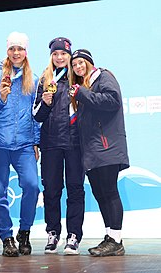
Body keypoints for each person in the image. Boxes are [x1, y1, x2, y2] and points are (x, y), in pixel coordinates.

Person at [0, 31, 40, 257]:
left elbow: (35, 114)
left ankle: (25, 232)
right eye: (12, 48)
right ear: (7, 51)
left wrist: (36, 141)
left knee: (32, 186)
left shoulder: (32, 80)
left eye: (20, 49)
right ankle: (6, 237)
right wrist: (0, 98)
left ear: (26, 52)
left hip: (24, 145)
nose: (16, 53)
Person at [69, 49, 129, 257]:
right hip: (93, 151)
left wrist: (82, 94)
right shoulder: (85, 86)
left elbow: (113, 101)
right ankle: (110, 236)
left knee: (110, 192)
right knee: (100, 194)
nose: (77, 67)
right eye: (74, 64)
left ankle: (116, 239)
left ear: (89, 62)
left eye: (80, 62)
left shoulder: (103, 77)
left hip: (107, 147)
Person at [33, 37, 85, 255]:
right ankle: (52, 233)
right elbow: (36, 116)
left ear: (69, 55)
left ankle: (73, 236)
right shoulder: (45, 80)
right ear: (51, 57)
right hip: (51, 144)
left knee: (75, 190)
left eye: (63, 53)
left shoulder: (79, 78)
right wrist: (44, 103)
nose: (60, 57)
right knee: (51, 191)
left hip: (75, 144)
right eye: (56, 54)